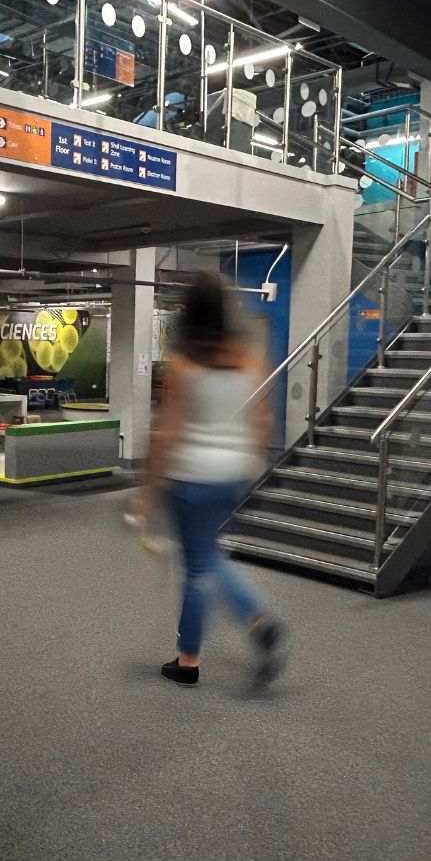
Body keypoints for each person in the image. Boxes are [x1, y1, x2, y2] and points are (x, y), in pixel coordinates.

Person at [139, 271, 284, 689]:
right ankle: (254, 622)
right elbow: (262, 419)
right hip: (232, 474)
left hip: (190, 478)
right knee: (209, 557)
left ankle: (193, 658)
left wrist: (149, 491)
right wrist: (252, 464)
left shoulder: (183, 366)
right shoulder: (250, 358)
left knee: (198, 567)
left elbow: (168, 433)